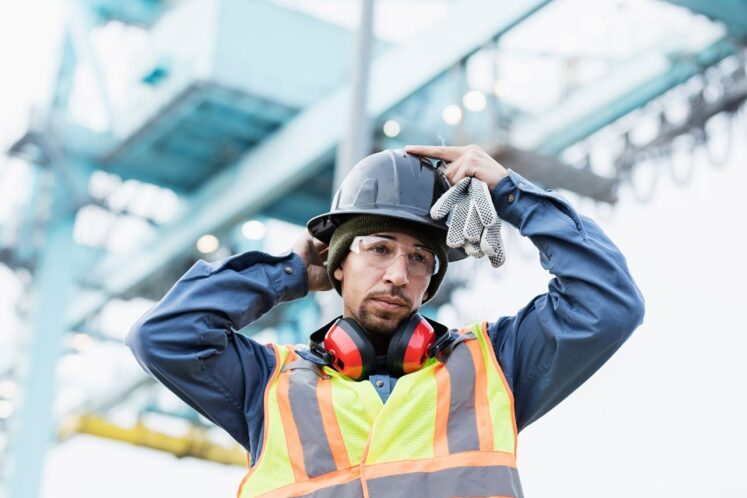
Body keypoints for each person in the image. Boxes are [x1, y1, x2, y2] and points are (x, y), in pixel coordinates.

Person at [127, 144, 644, 498]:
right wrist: (285, 272)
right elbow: (163, 336)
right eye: (378, 249)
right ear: (336, 264)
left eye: (420, 258)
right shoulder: (266, 387)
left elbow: (609, 303)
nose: (399, 274)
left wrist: (512, 193)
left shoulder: (496, 368)